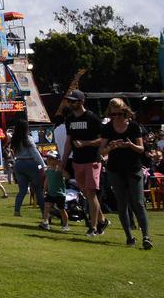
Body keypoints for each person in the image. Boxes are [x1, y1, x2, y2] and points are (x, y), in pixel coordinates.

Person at [101, 97, 151, 249]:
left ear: (125, 112)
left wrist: (130, 145)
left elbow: (141, 149)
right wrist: (111, 147)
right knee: (121, 205)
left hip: (133, 168)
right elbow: (101, 151)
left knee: (138, 203)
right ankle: (129, 237)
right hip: (115, 169)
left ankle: (146, 237)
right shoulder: (108, 128)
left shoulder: (134, 126)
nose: (116, 117)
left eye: (119, 114)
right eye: (113, 114)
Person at [65, 89, 108, 236]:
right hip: (77, 161)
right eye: (69, 101)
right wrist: (63, 161)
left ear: (81, 101)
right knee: (87, 194)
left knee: (90, 193)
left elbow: (103, 139)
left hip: (92, 160)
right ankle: (102, 220)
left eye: (73, 101)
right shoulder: (69, 119)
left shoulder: (92, 118)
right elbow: (68, 142)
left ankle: (94, 226)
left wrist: (85, 143)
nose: (70, 103)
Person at [8, 120, 45, 219]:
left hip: (18, 164)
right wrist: (43, 165)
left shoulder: (14, 140)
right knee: (38, 190)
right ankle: (44, 212)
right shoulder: (28, 139)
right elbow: (35, 153)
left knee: (22, 190)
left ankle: (17, 210)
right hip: (30, 163)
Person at [39, 152, 71, 232]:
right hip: (50, 193)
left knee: (61, 209)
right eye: (48, 158)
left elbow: (67, 176)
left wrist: (62, 170)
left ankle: (65, 225)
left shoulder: (59, 170)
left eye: (52, 159)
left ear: (57, 160)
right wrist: (44, 189)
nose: (49, 160)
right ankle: (45, 222)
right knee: (46, 206)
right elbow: (47, 180)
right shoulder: (48, 170)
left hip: (60, 193)